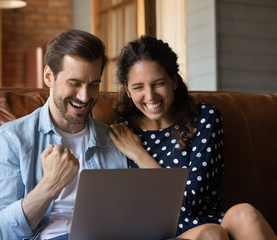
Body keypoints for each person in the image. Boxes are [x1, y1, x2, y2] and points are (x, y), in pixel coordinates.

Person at [109, 35, 277, 240]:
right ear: (127, 90)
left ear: (174, 81)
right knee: (211, 234)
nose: (150, 96)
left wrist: (138, 154)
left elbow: (189, 203)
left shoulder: (204, 119)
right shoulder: (122, 132)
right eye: (138, 87)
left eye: (158, 83)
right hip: (164, 234)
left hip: (208, 221)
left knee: (245, 213)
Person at [0, 29, 127, 240]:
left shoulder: (114, 140)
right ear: (49, 76)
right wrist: (50, 185)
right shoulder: (10, 140)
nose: (85, 97)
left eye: (93, 85)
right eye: (74, 84)